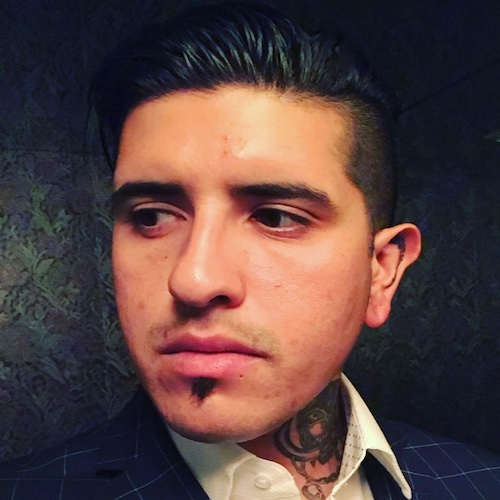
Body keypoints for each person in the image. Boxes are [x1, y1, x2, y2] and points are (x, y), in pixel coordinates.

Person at [1, 3, 499, 499]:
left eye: (276, 217)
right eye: (151, 216)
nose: (193, 280)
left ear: (382, 271)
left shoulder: (480, 483)